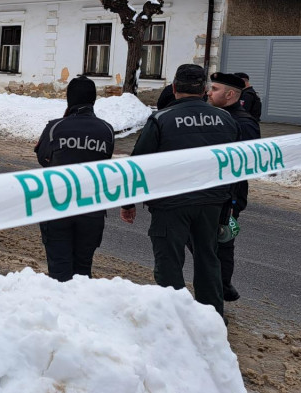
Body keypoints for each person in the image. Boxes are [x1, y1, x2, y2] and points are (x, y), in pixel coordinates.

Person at [120, 64, 239, 318]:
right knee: (208, 260)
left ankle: (174, 323)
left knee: (169, 264)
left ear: (174, 88)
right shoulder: (226, 119)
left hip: (170, 204)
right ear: (205, 90)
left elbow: (138, 164)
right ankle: (211, 322)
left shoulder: (162, 119)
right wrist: (229, 201)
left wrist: (128, 203)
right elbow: (235, 164)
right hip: (212, 203)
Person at [34, 76, 116, 282]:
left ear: (69, 99)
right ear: (93, 100)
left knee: (59, 272)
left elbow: (43, 158)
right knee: (82, 272)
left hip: (57, 207)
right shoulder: (106, 130)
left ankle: (62, 311)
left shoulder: (55, 127)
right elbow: (105, 161)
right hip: (91, 210)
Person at [207, 72, 261, 302]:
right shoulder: (216, 116)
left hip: (229, 196)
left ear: (230, 94)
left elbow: (246, 163)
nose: (209, 92)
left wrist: (231, 199)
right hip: (213, 192)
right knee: (208, 242)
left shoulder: (243, 122)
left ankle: (222, 287)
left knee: (223, 242)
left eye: (215, 89)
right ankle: (219, 285)